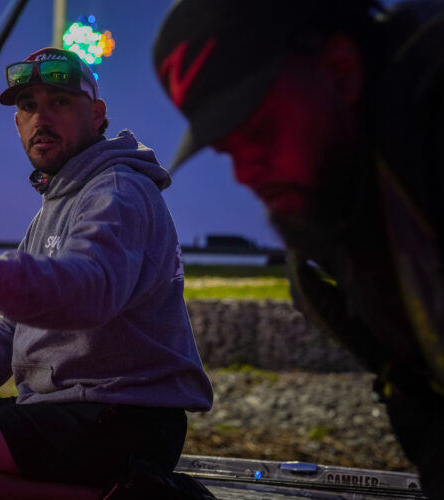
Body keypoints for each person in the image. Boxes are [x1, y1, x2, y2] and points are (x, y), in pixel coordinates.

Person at [0, 47, 214, 500]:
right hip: (57, 406)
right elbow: (13, 328)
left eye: (59, 102)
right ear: (17, 123)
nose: (40, 119)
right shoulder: (55, 205)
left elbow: (88, 291)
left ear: (97, 115)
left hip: (123, 413)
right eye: (28, 106)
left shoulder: (118, 190)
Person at [153, 0, 444, 497]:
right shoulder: (327, 247)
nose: (245, 173)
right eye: (228, 149)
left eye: (261, 132)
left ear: (341, 69)